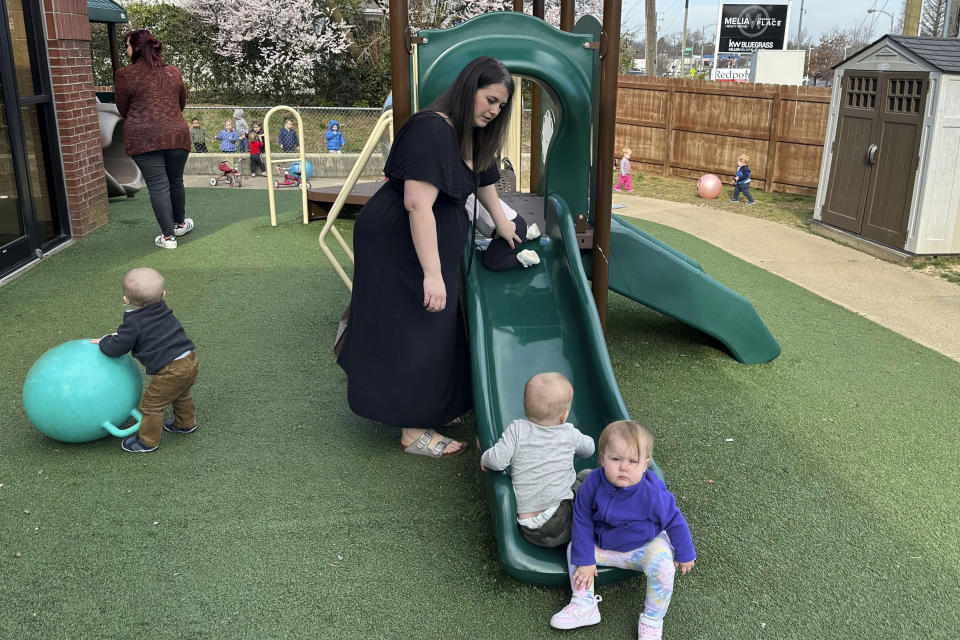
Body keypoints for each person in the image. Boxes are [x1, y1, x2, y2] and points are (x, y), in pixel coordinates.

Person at [337, 56, 520, 459]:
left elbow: (484, 177)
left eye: (501, 106)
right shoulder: (433, 129)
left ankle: (430, 405)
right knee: (415, 328)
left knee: (435, 327)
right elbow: (418, 205)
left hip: (423, 242)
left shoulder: (470, 132)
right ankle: (412, 430)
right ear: (469, 88)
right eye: (490, 99)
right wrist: (433, 274)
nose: (494, 110)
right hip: (399, 242)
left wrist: (503, 223)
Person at [550, 420, 696, 640]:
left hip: (644, 545)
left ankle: (652, 620)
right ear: (602, 459)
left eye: (632, 461)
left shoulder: (652, 492)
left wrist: (685, 554)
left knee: (664, 566)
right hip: (606, 544)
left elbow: (674, 519)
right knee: (575, 550)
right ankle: (584, 603)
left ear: (645, 464)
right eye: (616, 459)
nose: (623, 467)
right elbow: (581, 519)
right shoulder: (592, 483)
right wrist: (586, 561)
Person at [92, 268, 199, 454]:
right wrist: (122, 336)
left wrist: (104, 341)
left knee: (151, 406)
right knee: (181, 394)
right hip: (190, 359)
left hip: (171, 370)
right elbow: (149, 331)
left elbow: (116, 348)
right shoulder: (163, 309)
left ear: (127, 300)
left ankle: (147, 442)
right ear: (163, 295)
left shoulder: (133, 322)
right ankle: (185, 423)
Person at [480, 373, 594, 547]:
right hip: (563, 521)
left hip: (531, 530)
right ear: (564, 416)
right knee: (589, 476)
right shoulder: (568, 432)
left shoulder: (516, 430)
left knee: (578, 482)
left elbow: (496, 461)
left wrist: (484, 457)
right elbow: (589, 449)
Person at [114, 29, 194, 250]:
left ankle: (168, 238)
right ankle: (179, 224)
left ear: (136, 48)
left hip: (143, 138)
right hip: (176, 134)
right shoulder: (174, 72)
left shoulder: (125, 75)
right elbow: (181, 102)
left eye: (128, 46)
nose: (127, 50)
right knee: (175, 180)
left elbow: (122, 109)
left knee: (158, 186)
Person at [464, 192, 540, 270]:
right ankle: (526, 234)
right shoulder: (474, 188)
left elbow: (467, 218)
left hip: (511, 230)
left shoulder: (465, 197)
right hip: (515, 223)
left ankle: (524, 258)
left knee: (491, 261)